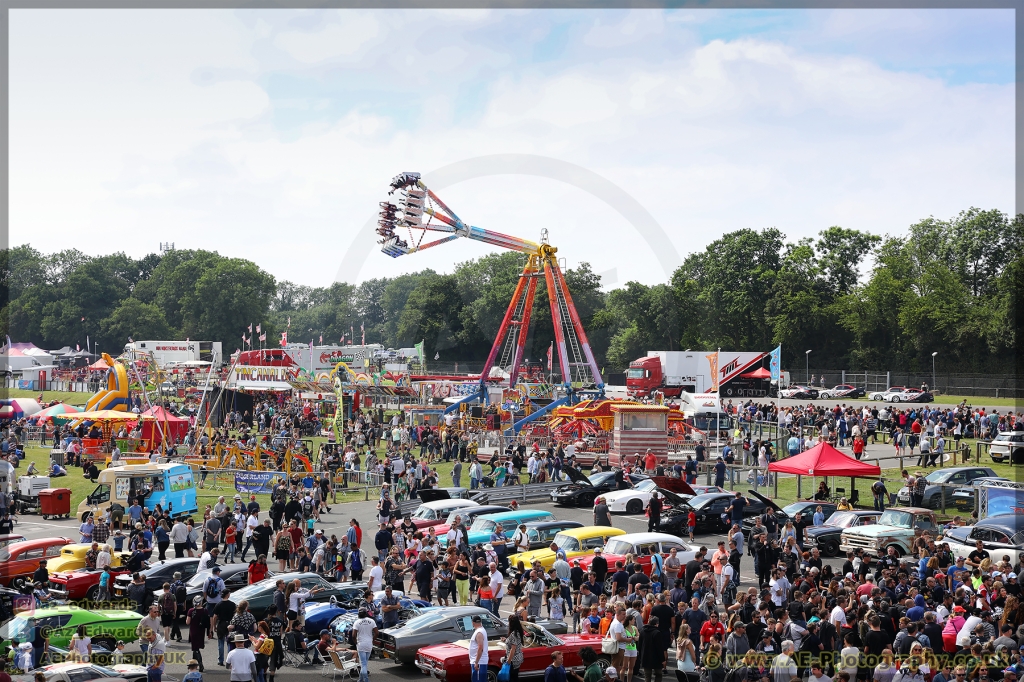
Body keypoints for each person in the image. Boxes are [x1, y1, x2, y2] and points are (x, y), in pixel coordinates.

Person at [352, 607, 377, 682]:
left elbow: (353, 636)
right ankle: (360, 679)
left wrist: (356, 643)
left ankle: (366, 680)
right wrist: (373, 640)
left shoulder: (357, 622)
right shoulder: (371, 621)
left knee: (363, 664)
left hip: (361, 644)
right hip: (369, 644)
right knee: (365, 663)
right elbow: (377, 633)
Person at [504, 614, 526, 682]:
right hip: (518, 657)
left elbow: (513, 648)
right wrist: (506, 640)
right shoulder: (518, 632)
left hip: (513, 659)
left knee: (512, 677)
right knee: (515, 676)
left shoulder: (514, 634)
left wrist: (508, 661)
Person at [469, 614, 489, 682]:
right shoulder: (481, 630)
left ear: (473, 623)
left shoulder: (479, 632)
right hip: (479, 661)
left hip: (479, 662)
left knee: (478, 680)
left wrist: (476, 662)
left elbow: (480, 647)